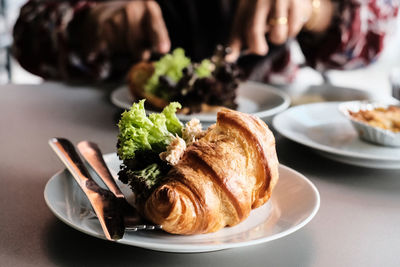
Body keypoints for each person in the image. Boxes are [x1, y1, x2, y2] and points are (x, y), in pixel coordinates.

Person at [12, 0, 399, 84]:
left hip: (274, 134)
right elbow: (27, 42)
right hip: (97, 129)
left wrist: (318, 9)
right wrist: (88, 24)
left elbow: (374, 42)